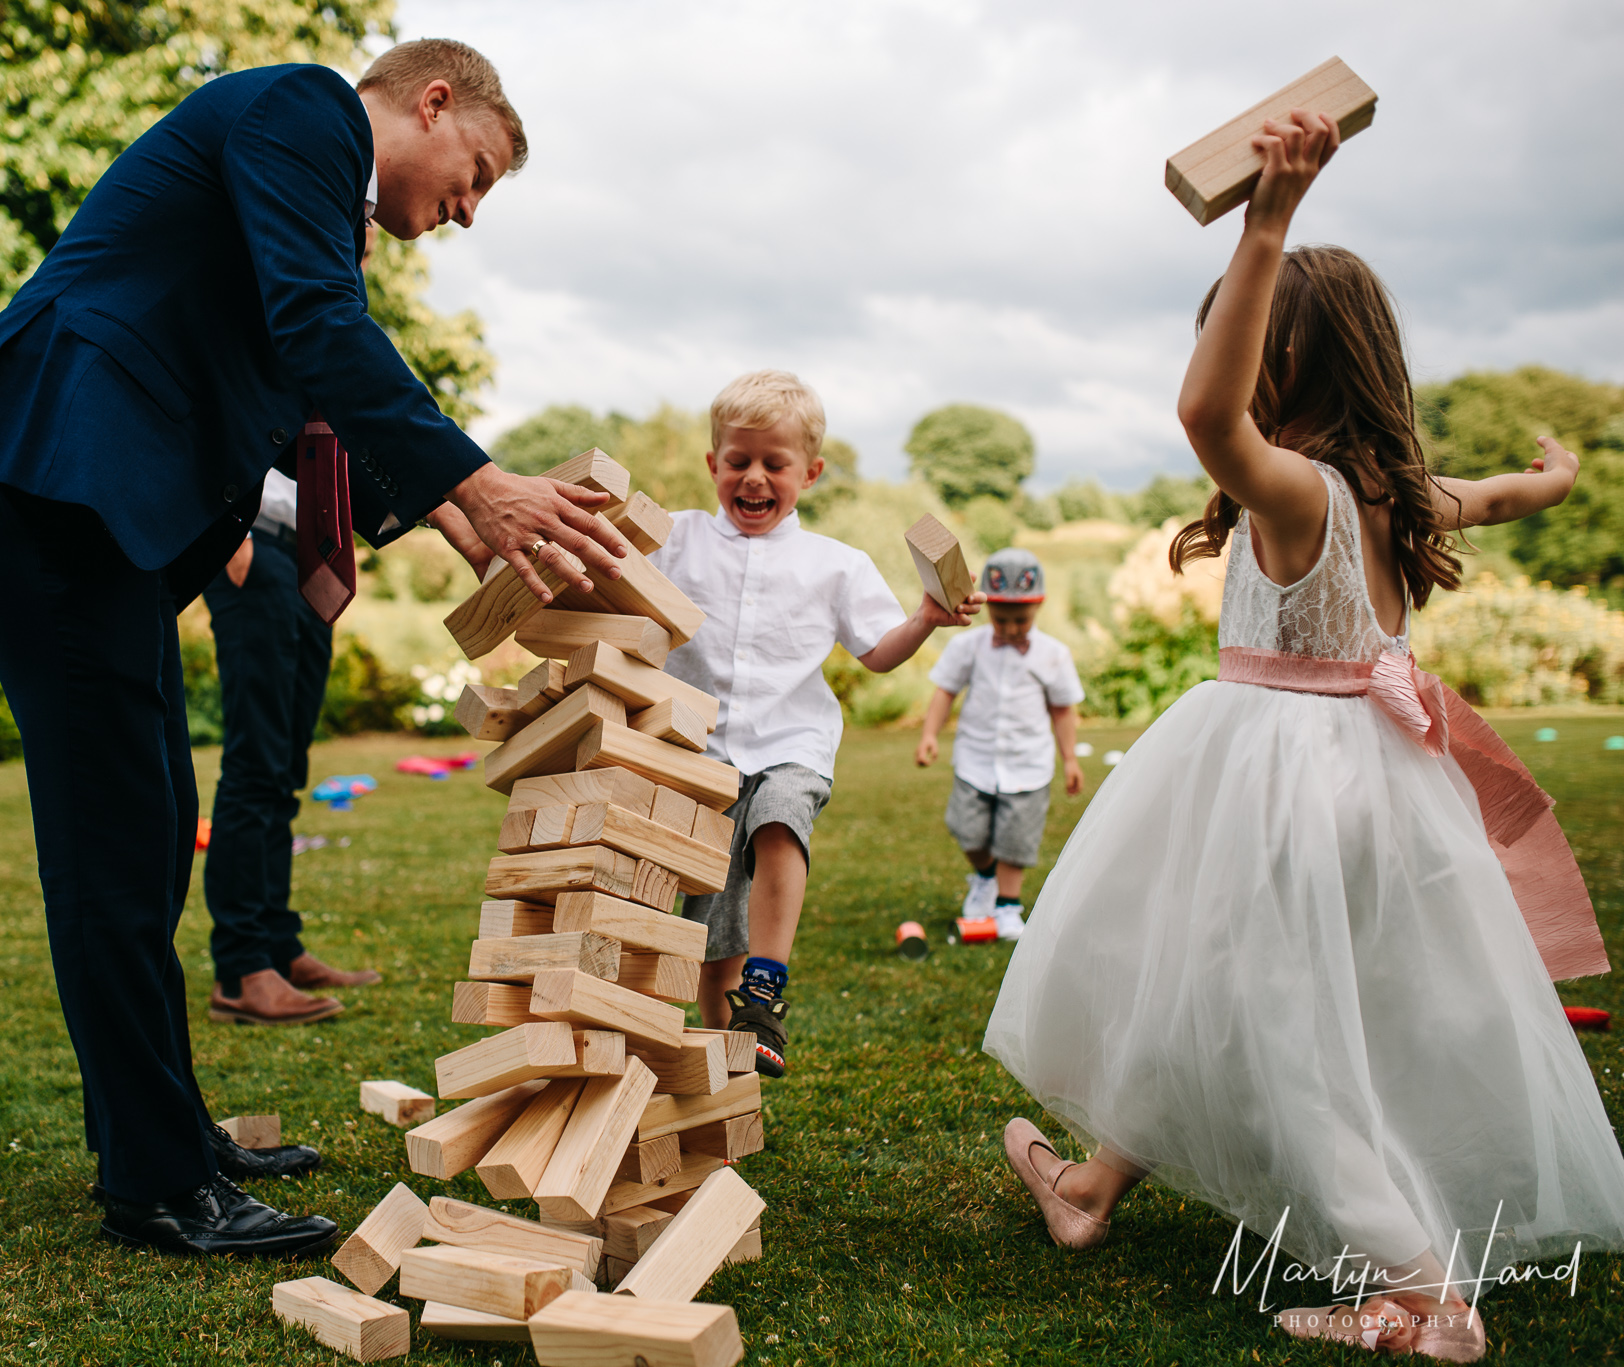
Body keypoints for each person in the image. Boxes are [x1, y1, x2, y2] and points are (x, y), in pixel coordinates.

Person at [0, 39, 630, 1257]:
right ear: (433, 102)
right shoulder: (304, 108)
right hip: (41, 487)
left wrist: (466, 518)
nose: (464, 211)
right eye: (478, 174)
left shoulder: (308, 194)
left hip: (83, 517)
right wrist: (483, 480)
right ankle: (154, 1183)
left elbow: (318, 382)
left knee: (151, 822)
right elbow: (318, 326)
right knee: (117, 848)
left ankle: (173, 1138)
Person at [982, 110, 1624, 1360]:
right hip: (1374, 781)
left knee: (1284, 1030)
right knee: (1215, 979)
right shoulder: (1389, 491)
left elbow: (1205, 419)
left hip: (1288, 780)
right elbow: (1485, 497)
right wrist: (1545, 482)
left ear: (1283, 361)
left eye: (1240, 333)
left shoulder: (1292, 491)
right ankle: (1093, 1184)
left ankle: (1424, 1295)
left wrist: (1264, 219)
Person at [651, 370, 981, 1077]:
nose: (755, 478)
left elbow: (877, 652)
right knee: (714, 931)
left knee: (780, 817)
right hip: (699, 754)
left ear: (812, 472)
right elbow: (612, 575)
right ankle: (729, 1055)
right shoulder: (674, 541)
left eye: (776, 464)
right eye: (738, 461)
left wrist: (925, 617)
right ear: (713, 464)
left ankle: (766, 987)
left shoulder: (836, 564)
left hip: (789, 744)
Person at [200, 468, 381, 1028]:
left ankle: (279, 948)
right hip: (249, 541)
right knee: (256, 765)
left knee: (285, 769)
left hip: (308, 553)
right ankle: (240, 968)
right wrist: (229, 539)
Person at [913, 548, 1084, 941]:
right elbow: (945, 691)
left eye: (1019, 620)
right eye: (1000, 619)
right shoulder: (967, 647)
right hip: (975, 760)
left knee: (1015, 840)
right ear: (987, 609)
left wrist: (1070, 758)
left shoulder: (1053, 655)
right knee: (966, 829)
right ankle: (985, 879)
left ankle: (1008, 907)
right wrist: (928, 735)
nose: (1008, 629)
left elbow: (1062, 710)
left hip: (1028, 765)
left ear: (1037, 607)